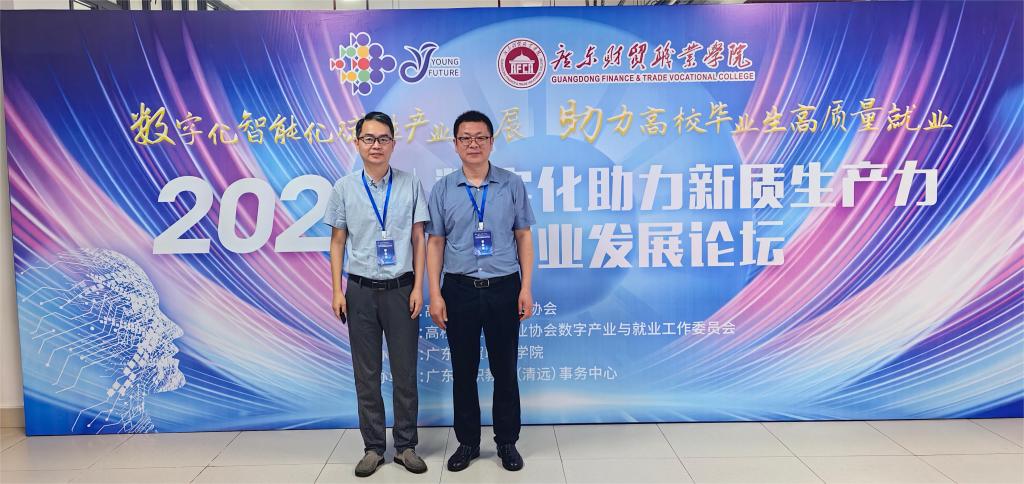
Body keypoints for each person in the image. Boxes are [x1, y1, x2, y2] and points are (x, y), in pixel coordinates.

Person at [426, 110, 536, 472]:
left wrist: (526, 287)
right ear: (455, 144)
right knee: (464, 370)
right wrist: (435, 294)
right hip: (459, 289)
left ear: (491, 142)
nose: (473, 144)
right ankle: (468, 443)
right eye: (465, 138)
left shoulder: (511, 184)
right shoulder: (443, 189)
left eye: (480, 137)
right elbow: (435, 243)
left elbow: (523, 236)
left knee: (505, 369)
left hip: (504, 287)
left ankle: (507, 442)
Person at [324, 112, 430, 478]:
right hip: (360, 291)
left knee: (405, 372)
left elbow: (419, 239)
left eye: (383, 139)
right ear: (357, 143)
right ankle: (372, 448)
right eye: (368, 139)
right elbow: (337, 241)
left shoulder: (410, 184)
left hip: (401, 289)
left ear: (393, 144)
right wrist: (336, 289)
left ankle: (406, 446)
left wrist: (419, 287)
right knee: (366, 373)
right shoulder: (344, 188)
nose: (376, 145)